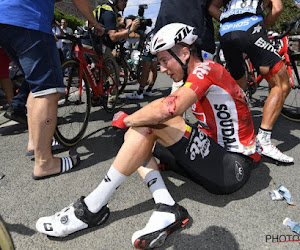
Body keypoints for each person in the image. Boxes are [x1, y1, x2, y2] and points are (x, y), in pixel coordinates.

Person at [36, 23, 261, 249]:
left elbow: (169, 109)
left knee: (147, 125)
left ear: (184, 52)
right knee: (137, 139)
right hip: (212, 153)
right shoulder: (193, 75)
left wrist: (126, 119)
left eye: (164, 60)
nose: (161, 69)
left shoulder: (207, 69)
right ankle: (166, 205)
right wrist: (135, 121)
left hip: (233, 166)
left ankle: (91, 208)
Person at [0, 0, 104, 179]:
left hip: (5, 18)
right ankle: (45, 162)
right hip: (28, 19)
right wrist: (95, 24)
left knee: (37, 85)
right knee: (49, 90)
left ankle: (35, 144)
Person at [208, 0, 294, 163]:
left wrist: (229, 21)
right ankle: (264, 140)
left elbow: (211, 6)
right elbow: (277, 9)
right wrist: (264, 28)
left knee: (239, 87)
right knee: (281, 84)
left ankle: (239, 134)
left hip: (226, 32)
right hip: (251, 28)